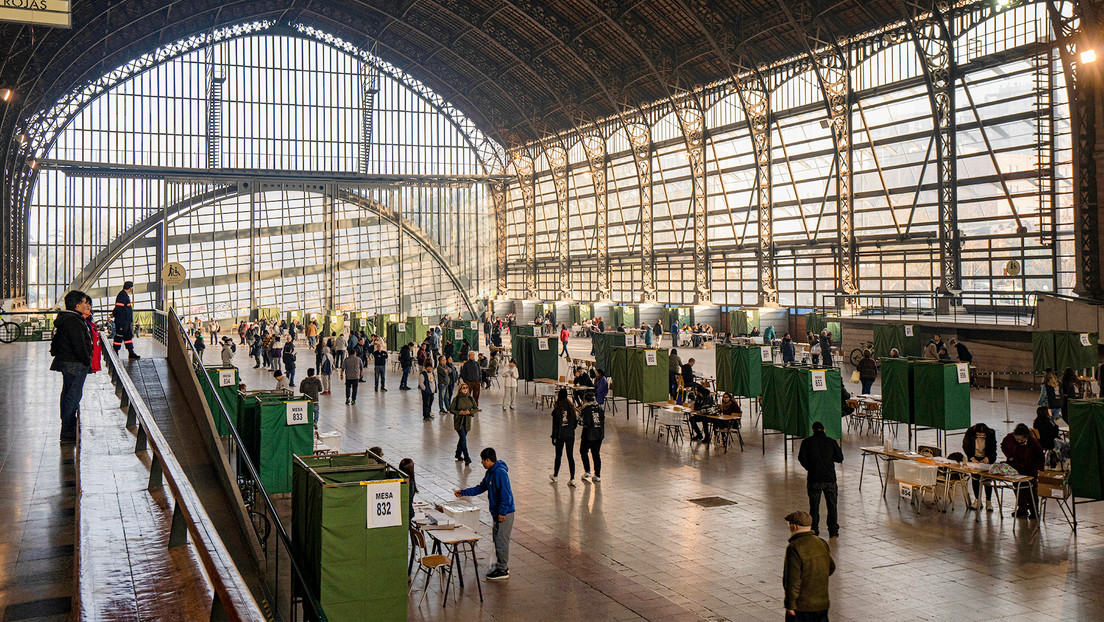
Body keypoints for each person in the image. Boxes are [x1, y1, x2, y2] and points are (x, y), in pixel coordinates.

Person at [454, 447, 515, 581]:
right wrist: (464, 492)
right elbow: (481, 487)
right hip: (497, 513)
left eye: (482, 460)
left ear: (488, 460)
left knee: (501, 540)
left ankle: (503, 569)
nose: (481, 463)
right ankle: (501, 565)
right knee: (497, 538)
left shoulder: (500, 473)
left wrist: (502, 512)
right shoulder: (490, 473)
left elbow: (506, 495)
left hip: (504, 513)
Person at [51, 290, 95, 445]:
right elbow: (79, 344)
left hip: (68, 362)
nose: (87, 305)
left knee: (68, 393)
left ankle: (67, 426)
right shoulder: (74, 321)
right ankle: (68, 430)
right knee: (73, 395)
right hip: (75, 363)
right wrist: (86, 360)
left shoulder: (68, 318)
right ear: (77, 305)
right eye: (85, 302)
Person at [782, 510, 835, 622]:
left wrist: (790, 604)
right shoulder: (821, 542)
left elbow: (792, 579)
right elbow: (831, 567)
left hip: (801, 606)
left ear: (794, 527)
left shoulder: (794, 547)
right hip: (822, 604)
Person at [797, 421, 843, 538]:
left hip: (814, 479)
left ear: (812, 430)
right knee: (832, 506)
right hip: (830, 479)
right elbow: (840, 458)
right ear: (824, 430)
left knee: (814, 507)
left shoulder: (807, 442)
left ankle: (814, 530)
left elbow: (801, 458)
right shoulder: (831, 442)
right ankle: (833, 531)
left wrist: (810, 467)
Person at [1001, 423, 1044, 518]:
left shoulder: (1033, 442)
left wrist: (1040, 469)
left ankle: (1034, 511)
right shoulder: (1009, 438)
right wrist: (1009, 456)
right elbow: (1003, 446)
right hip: (1016, 469)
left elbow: (1040, 456)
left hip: (1030, 469)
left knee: (1031, 491)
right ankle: (1022, 509)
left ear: (1026, 436)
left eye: (1021, 440)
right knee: (1018, 489)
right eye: (1017, 439)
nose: (1019, 441)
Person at [962, 422, 997, 511]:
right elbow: (966, 446)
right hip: (975, 457)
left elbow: (993, 448)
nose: (981, 436)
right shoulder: (969, 432)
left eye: (983, 435)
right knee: (975, 478)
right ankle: (977, 500)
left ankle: (988, 502)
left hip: (986, 458)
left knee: (987, 480)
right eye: (978, 435)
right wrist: (972, 458)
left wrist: (988, 458)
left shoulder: (991, 433)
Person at [549, 388, 578, 486]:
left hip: (560, 435)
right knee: (570, 456)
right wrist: (570, 429)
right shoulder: (571, 407)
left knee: (558, 456)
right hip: (570, 434)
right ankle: (572, 478)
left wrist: (553, 437)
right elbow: (575, 422)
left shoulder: (557, 408)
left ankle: (556, 475)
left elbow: (555, 425)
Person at [578, 391, 605, 482]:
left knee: (583, 451)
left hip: (588, 434)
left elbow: (581, 422)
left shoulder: (585, 409)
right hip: (599, 434)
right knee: (596, 454)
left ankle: (587, 471)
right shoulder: (600, 409)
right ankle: (597, 475)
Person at [111, 281, 141, 359]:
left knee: (128, 337)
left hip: (126, 321)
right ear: (130, 287)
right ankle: (115, 352)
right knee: (119, 336)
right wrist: (114, 314)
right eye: (132, 287)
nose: (132, 289)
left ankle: (131, 352)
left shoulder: (124, 295)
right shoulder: (122, 295)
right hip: (122, 321)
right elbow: (118, 307)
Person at [450, 382, 479, 466]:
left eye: (466, 388)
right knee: (463, 438)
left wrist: (470, 412)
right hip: (459, 421)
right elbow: (451, 409)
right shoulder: (456, 399)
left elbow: (476, 408)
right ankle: (467, 457)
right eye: (463, 388)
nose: (465, 389)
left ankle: (458, 454)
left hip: (467, 422)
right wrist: (459, 412)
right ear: (460, 389)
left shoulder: (470, 398)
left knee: (462, 439)